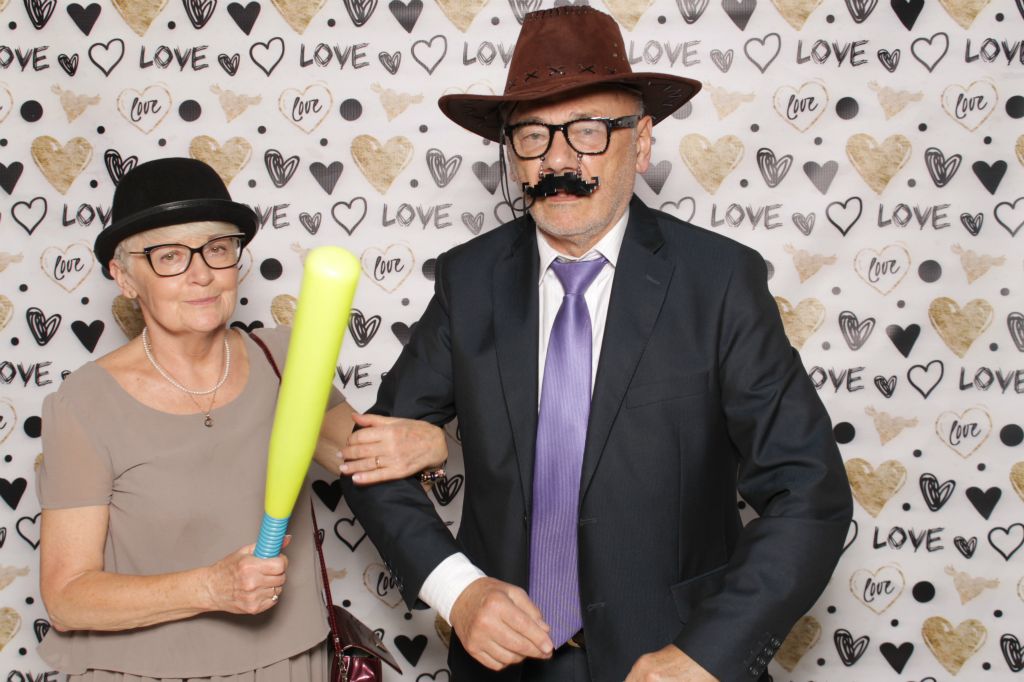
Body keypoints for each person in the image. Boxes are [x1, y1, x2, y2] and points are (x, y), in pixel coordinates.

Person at [340, 7, 853, 682]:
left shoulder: (720, 281)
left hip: (672, 660)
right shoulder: (469, 281)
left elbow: (809, 494)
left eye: (587, 131)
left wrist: (706, 655)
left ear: (640, 143)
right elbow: (371, 458)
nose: (558, 160)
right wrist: (458, 591)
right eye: (532, 135)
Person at [36, 157, 448, 681]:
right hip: (147, 674)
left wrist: (430, 446)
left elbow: (363, 456)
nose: (202, 274)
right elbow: (67, 597)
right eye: (169, 256)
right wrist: (210, 587)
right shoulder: (83, 405)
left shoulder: (285, 358)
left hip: (290, 664)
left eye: (217, 248)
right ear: (124, 277)